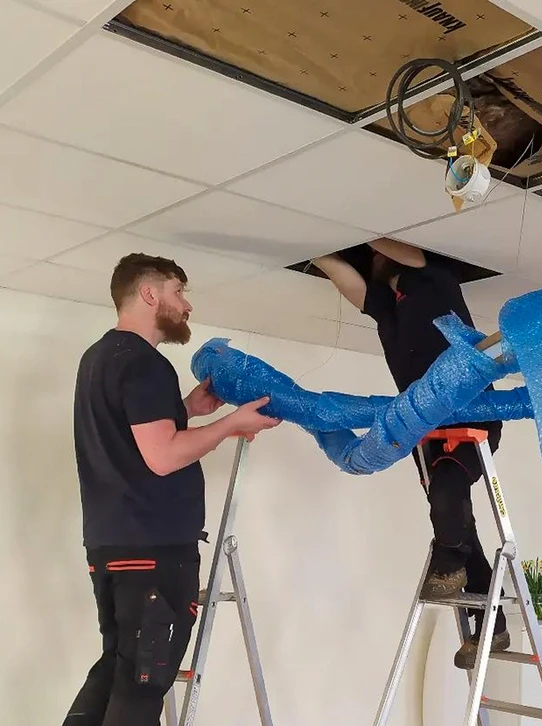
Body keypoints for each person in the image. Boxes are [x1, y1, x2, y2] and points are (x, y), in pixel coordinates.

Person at [64, 253, 282, 726]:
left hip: (111, 546)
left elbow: (134, 438)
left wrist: (187, 409)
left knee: (118, 671)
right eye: (179, 291)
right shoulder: (145, 363)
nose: (186, 305)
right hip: (153, 550)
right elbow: (161, 457)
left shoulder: (99, 358)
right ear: (149, 293)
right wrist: (231, 424)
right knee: (143, 686)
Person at [312, 239, 508, 670]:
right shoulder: (388, 304)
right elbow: (352, 286)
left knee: (448, 495)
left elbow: (409, 253)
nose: (376, 259)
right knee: (459, 521)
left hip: (471, 419)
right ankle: (491, 626)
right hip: (427, 428)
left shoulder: (435, 278)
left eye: (380, 254)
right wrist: (319, 251)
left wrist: (364, 232)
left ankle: (449, 561)